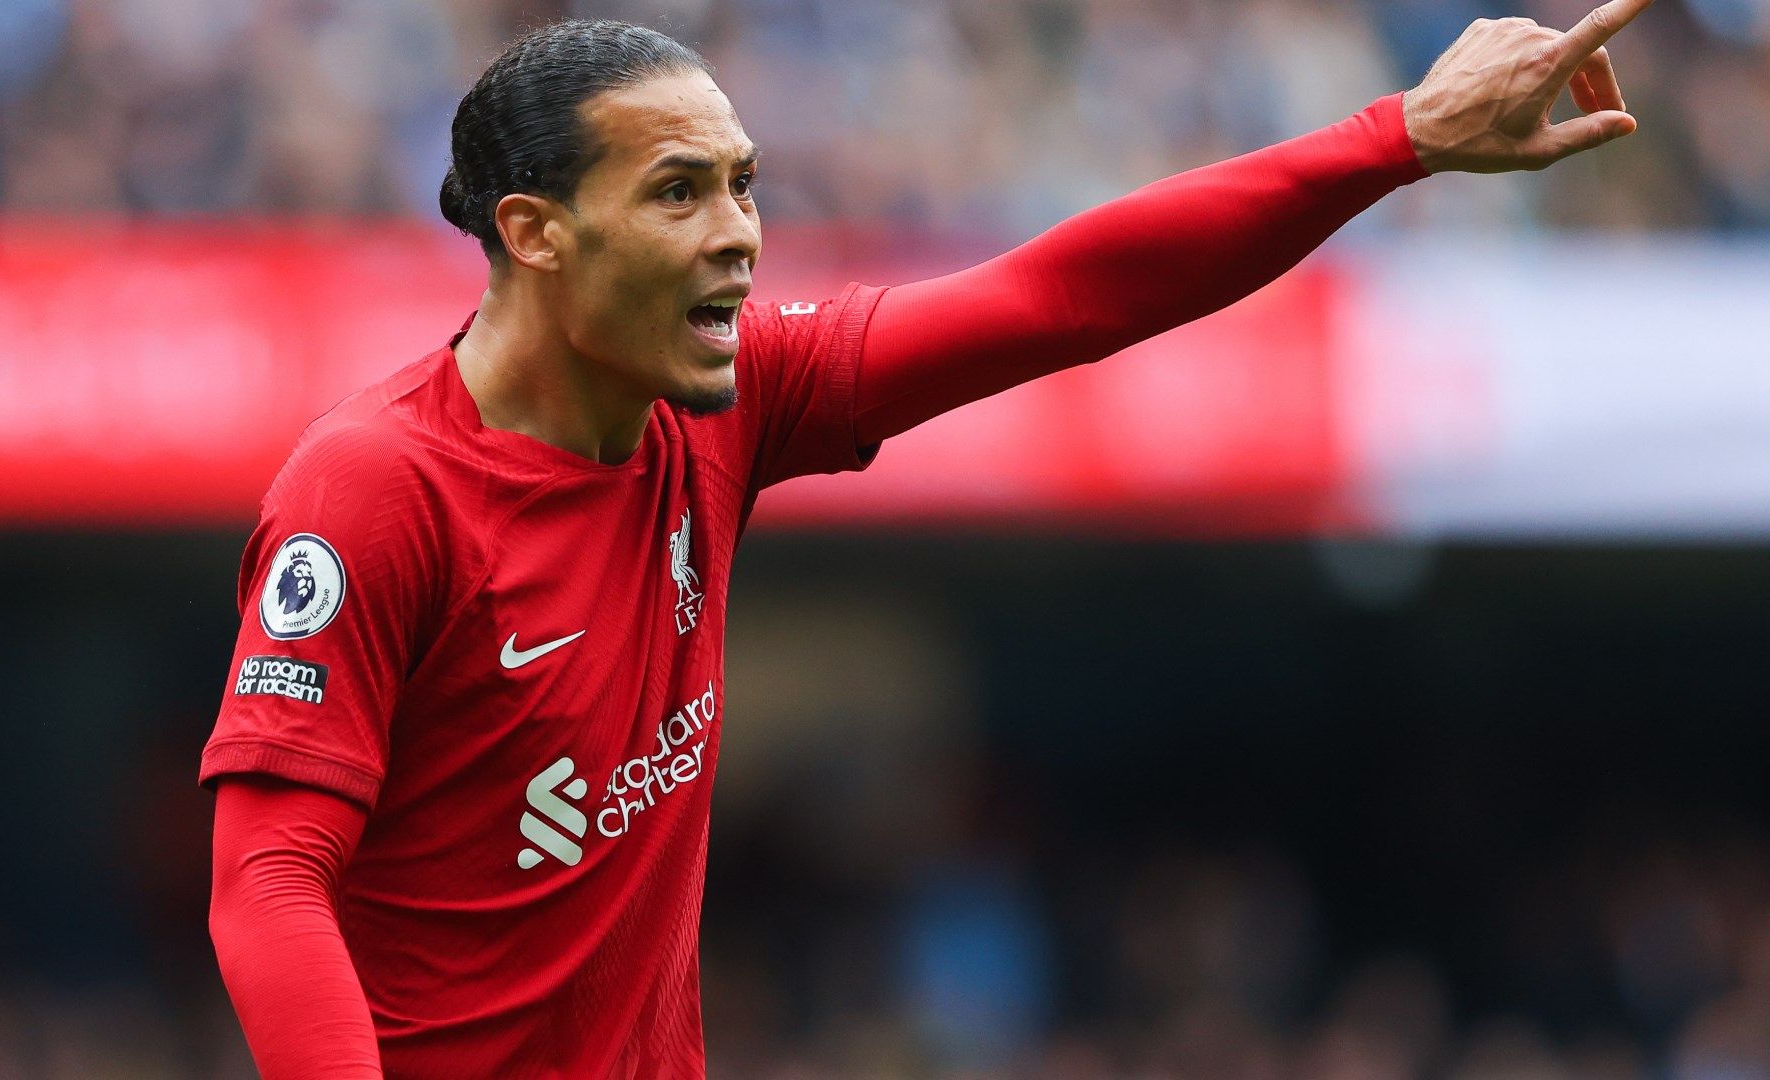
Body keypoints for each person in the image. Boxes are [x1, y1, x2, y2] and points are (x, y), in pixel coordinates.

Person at [202, 6, 1650, 1076]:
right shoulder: (376, 487)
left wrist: (1398, 139)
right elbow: (268, 880)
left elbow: (1064, 294)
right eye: (678, 191)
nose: (739, 234)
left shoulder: (726, 404)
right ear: (534, 232)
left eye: (744, 184)